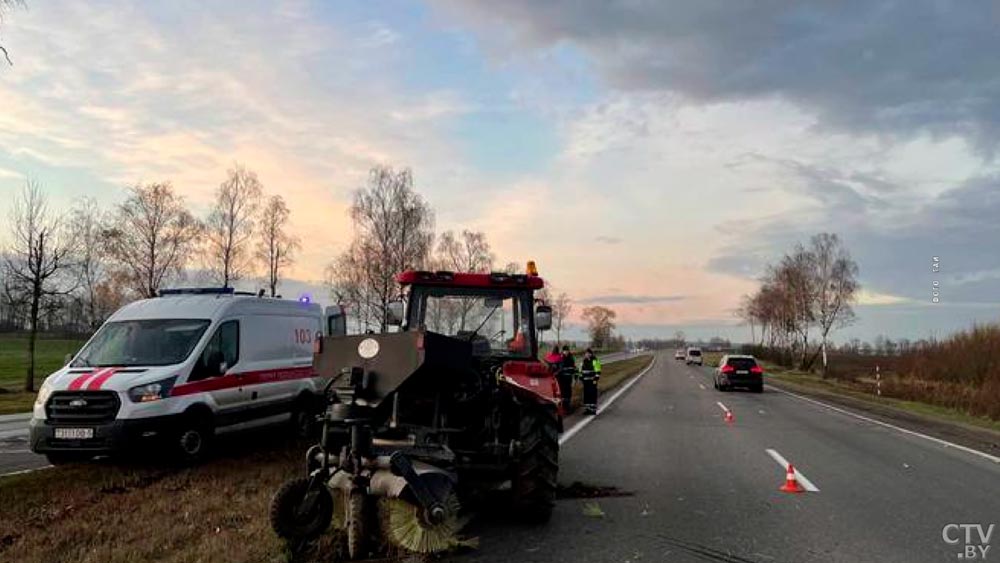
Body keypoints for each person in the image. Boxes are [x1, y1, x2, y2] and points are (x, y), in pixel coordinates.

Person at [580, 348, 602, 415]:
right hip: (585, 381)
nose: (587, 355)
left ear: (591, 354)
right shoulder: (583, 361)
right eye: (586, 353)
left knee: (592, 394)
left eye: (588, 353)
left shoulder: (595, 361)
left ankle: (593, 410)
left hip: (592, 381)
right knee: (586, 395)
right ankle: (588, 409)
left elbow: (598, 371)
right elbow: (580, 371)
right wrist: (581, 378)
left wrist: (595, 379)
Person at [558, 345, 576, 412]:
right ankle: (563, 407)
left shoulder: (571, 358)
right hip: (562, 379)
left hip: (569, 378)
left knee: (568, 393)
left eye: (567, 351)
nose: (566, 352)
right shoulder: (560, 358)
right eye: (565, 351)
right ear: (563, 351)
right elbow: (559, 369)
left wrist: (575, 377)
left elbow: (574, 368)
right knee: (563, 393)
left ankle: (567, 407)